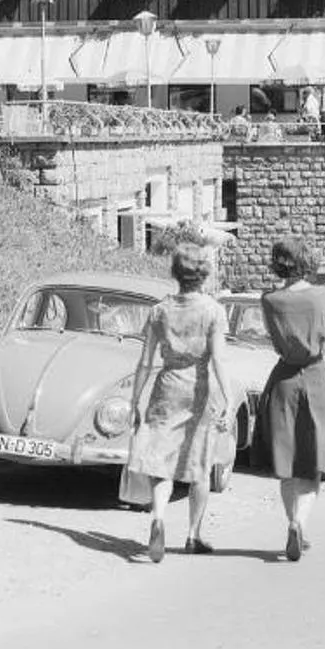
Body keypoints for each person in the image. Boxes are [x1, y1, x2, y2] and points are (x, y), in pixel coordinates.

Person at [248, 239, 325, 562]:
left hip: (283, 379)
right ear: (306, 262)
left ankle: (291, 522)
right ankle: (300, 522)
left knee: (287, 464)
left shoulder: (269, 299)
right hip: (316, 378)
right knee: (314, 462)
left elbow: (273, 338)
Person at [121, 241, 240, 563]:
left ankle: (158, 517)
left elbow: (145, 362)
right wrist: (229, 400)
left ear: (176, 272)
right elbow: (218, 360)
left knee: (161, 462)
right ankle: (193, 535)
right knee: (200, 464)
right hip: (199, 388)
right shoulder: (213, 311)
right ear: (204, 274)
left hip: (167, 387)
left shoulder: (159, 310)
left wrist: (134, 401)